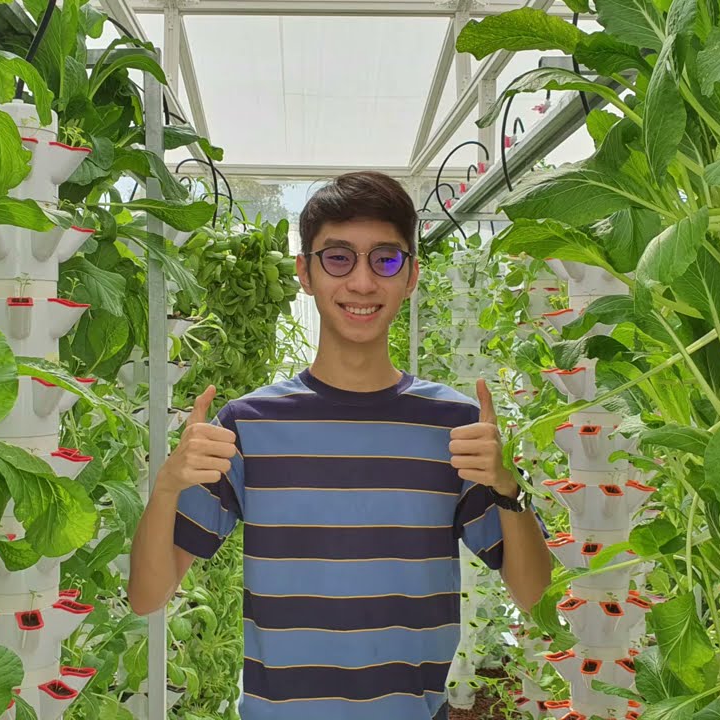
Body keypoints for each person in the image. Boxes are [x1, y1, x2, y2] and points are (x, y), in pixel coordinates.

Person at [128, 171, 552, 720]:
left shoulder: (455, 426)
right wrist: (166, 486)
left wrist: (507, 488)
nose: (362, 282)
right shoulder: (249, 425)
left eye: (386, 259)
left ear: (412, 276)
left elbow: (535, 595)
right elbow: (147, 595)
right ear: (304, 272)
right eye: (338, 258)